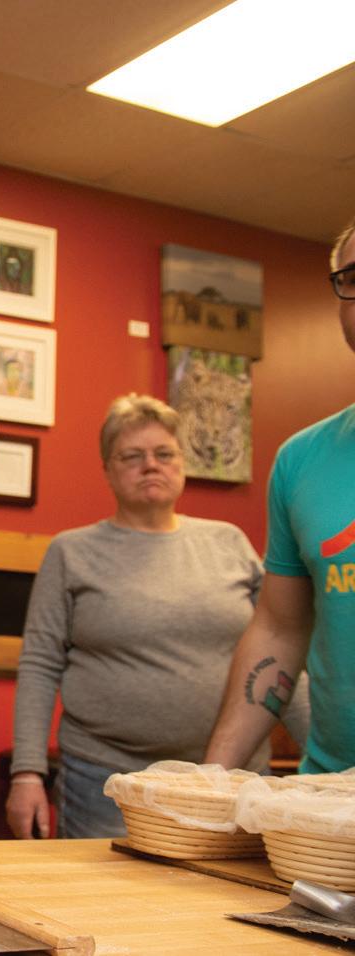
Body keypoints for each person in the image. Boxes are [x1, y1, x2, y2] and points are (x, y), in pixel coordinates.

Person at [6, 394, 288, 840]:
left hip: (232, 780)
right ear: (108, 470)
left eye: (164, 454)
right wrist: (27, 773)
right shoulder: (71, 552)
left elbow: (280, 650)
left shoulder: (230, 543)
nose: (150, 465)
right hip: (108, 785)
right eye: (132, 456)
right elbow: (40, 665)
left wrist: (329, 765)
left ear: (182, 463)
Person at [204, 217, 355, 775]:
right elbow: (279, 627)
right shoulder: (300, 460)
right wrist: (213, 777)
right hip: (330, 796)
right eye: (354, 277)